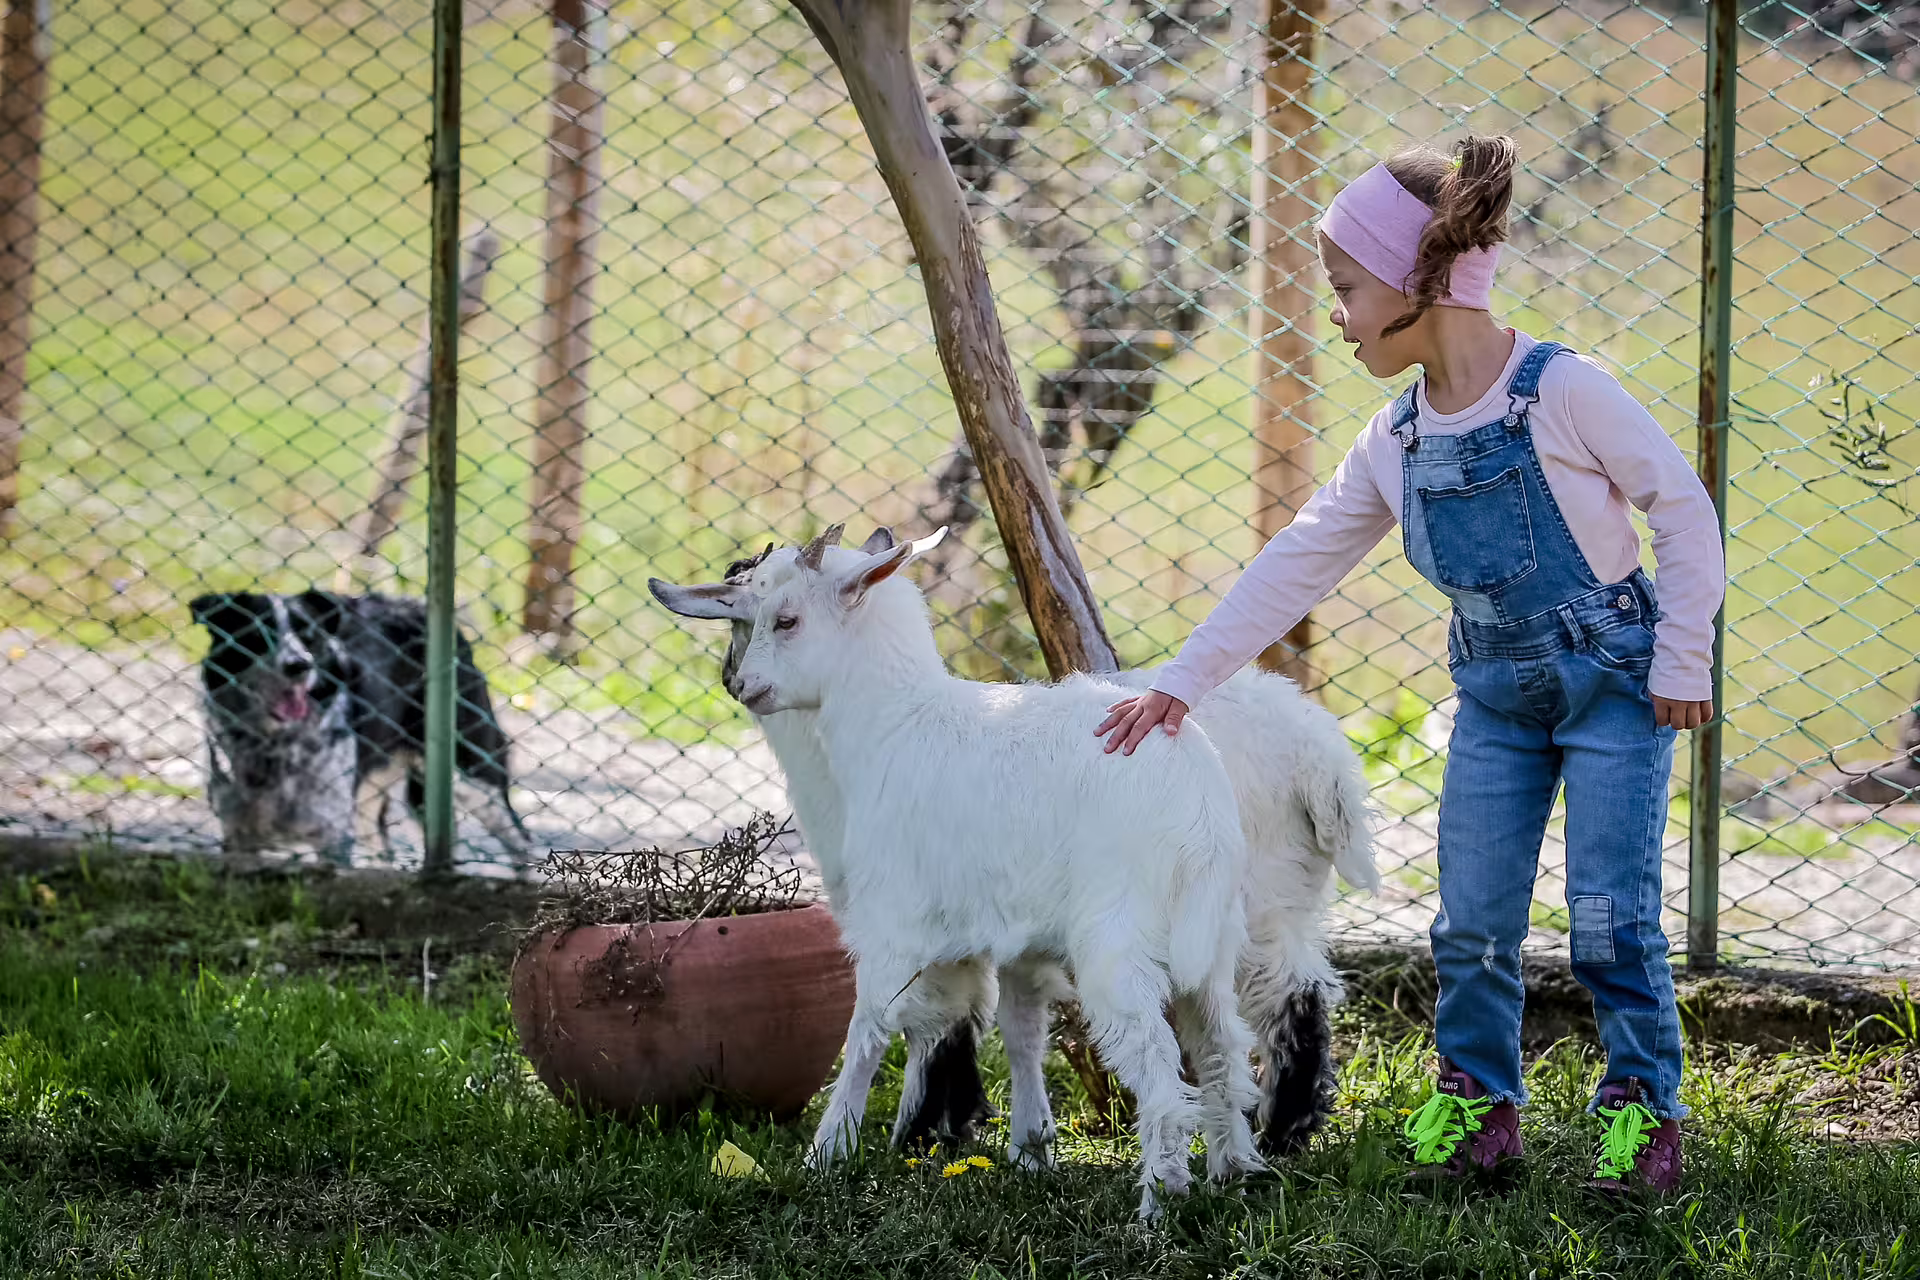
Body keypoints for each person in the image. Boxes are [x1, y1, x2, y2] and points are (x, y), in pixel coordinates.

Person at [1095, 135, 1723, 1194]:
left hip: (1617, 687)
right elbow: (1298, 560)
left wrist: (1685, 652)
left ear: (1417, 282)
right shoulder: (1396, 437)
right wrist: (1182, 682)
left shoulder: (1561, 390)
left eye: (1345, 287)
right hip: (1495, 702)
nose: (1334, 313)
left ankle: (1640, 1111)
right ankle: (1479, 1102)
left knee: (1612, 917)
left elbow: (1682, 504)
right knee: (1471, 918)